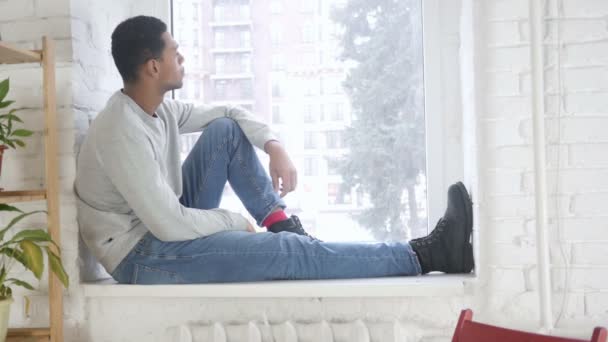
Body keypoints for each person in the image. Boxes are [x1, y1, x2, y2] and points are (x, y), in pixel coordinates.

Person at [74, 16, 474, 284]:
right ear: (152, 67)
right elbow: (169, 225)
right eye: (173, 52)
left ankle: (281, 222)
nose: (182, 58)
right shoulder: (120, 130)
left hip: (161, 225)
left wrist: (273, 145)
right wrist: (234, 221)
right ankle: (426, 255)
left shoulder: (156, 109)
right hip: (141, 255)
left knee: (226, 131)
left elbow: (229, 113)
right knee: (286, 254)